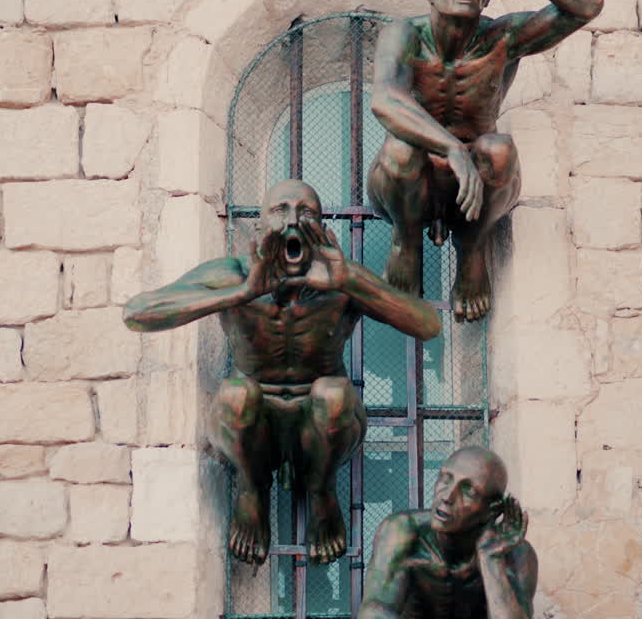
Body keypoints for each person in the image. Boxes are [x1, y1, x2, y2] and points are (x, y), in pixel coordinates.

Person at [124, 179, 441, 565]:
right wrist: (242, 293)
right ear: (259, 228)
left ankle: (322, 491)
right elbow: (138, 313)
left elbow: (427, 324)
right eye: (280, 211)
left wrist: (350, 283)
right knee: (237, 395)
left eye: (306, 211)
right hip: (253, 424)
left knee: (334, 393)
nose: (293, 221)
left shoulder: (342, 277)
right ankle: (251, 490)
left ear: (323, 227)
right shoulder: (232, 273)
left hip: (325, 421)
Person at [368, 0, 604, 322]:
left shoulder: (503, 37)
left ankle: (472, 248)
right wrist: (450, 147)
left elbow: (586, 6)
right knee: (400, 145)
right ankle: (405, 244)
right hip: (406, 182)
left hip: (475, 186)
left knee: (499, 148)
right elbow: (385, 100)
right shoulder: (404, 35)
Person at [360, 446, 537, 618]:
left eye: (468, 491)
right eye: (445, 479)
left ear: (491, 510)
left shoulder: (515, 553)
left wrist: (492, 560)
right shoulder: (403, 531)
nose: (447, 496)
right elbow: (373, 611)